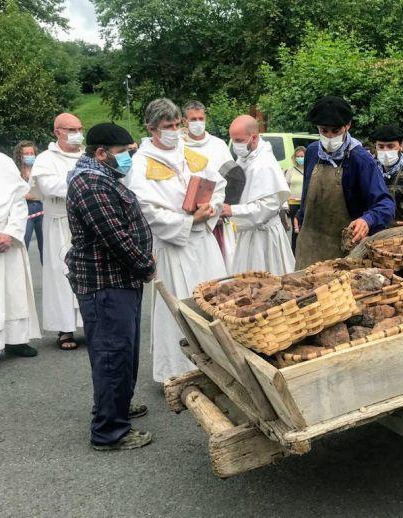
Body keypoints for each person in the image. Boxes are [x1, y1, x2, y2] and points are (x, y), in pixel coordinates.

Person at [65, 123, 156, 451]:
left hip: (119, 281)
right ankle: (109, 431)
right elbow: (115, 237)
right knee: (111, 354)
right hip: (106, 284)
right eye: (122, 153)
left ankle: (117, 405)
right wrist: (145, 264)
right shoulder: (90, 184)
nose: (128, 158)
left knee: (122, 351)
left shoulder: (102, 177)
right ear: (101, 153)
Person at [126, 98, 227, 383]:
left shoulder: (189, 153)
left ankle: (221, 365)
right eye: (166, 126)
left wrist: (210, 209)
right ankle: (179, 371)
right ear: (151, 128)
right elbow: (145, 209)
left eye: (176, 124)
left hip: (204, 244)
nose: (174, 130)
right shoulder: (141, 163)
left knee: (213, 302)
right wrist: (186, 221)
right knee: (178, 309)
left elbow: (218, 185)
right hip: (174, 246)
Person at [295, 96, 395, 268]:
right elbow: (307, 193)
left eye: (335, 131)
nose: (329, 136)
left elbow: (386, 204)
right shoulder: (312, 152)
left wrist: (367, 220)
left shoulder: (360, 159)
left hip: (343, 252)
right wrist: (300, 214)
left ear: (347, 125)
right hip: (309, 245)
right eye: (324, 131)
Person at [30, 113, 84, 350]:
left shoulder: (87, 156)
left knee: (87, 274)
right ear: (57, 132)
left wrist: (74, 181)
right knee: (61, 276)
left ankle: (91, 324)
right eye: (71, 129)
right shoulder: (45, 159)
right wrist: (81, 182)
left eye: (79, 128)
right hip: (58, 222)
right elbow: (49, 186)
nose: (76, 133)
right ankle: (65, 329)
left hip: (85, 222)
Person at [226, 114, 295, 275]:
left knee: (269, 284)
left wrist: (232, 211)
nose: (235, 146)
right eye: (233, 140)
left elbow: (268, 206)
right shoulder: (244, 158)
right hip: (248, 233)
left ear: (254, 137)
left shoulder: (264, 163)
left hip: (265, 237)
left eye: (239, 140)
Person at [181, 100, 236, 272]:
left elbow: (233, 179)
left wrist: (221, 208)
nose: (198, 123)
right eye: (193, 119)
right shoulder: (179, 146)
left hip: (217, 216)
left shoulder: (218, 145)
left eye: (200, 118)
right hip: (190, 216)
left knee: (219, 267)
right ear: (184, 121)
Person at [0, 152, 41, 360]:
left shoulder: (3, 162)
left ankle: (15, 340)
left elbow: (18, 202)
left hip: (7, 238)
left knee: (13, 293)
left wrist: (10, 233)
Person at [13, 141, 43, 263]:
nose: (30, 155)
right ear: (20, 155)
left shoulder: (39, 170)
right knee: (23, 245)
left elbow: (45, 191)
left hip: (42, 211)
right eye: (26, 153)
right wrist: (35, 195)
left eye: (32, 153)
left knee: (45, 248)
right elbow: (17, 194)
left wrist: (31, 195)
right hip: (25, 213)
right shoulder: (15, 172)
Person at [284, 146, 306, 252]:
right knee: (295, 229)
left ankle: (304, 251)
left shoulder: (309, 169)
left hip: (305, 203)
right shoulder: (291, 170)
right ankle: (294, 252)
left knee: (305, 228)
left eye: (302, 156)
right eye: (298, 156)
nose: (300, 158)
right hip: (293, 203)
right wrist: (286, 201)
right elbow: (286, 186)